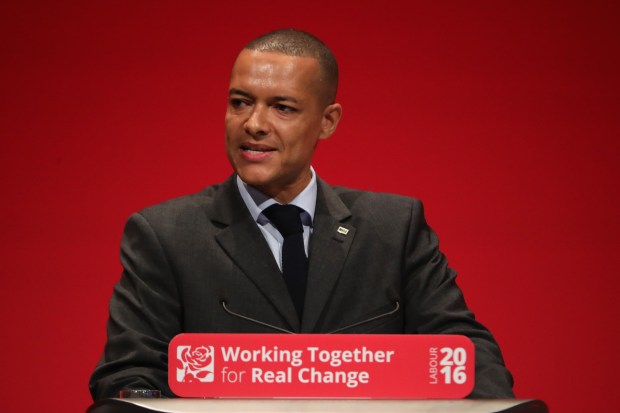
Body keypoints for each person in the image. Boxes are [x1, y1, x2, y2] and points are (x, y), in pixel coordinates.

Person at [89, 29, 514, 400]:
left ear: (327, 121)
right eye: (240, 102)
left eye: (283, 108)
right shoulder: (166, 235)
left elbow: (464, 354)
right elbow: (129, 375)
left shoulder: (394, 228)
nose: (253, 124)